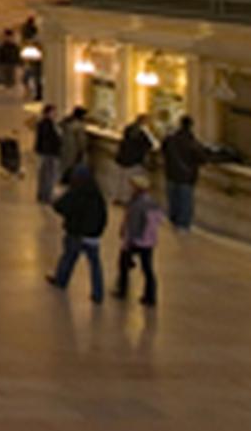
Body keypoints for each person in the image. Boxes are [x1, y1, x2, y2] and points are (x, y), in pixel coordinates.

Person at [45, 164, 108, 304]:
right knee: (95, 265)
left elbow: (59, 206)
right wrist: (99, 231)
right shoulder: (97, 195)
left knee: (68, 257)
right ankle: (98, 293)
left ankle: (61, 280)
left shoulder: (75, 192)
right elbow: (103, 215)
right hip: (93, 236)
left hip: (76, 233)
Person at [115, 175, 162, 308]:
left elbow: (134, 224)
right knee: (147, 269)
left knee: (124, 263)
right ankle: (150, 296)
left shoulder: (138, 204)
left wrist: (128, 239)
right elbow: (158, 220)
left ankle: (123, 291)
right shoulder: (152, 203)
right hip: (148, 241)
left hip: (137, 240)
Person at [159, 117, 205, 229]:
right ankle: (183, 224)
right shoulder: (193, 142)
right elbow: (202, 158)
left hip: (171, 174)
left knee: (173, 199)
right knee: (185, 202)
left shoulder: (170, 139)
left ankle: (173, 220)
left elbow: (163, 149)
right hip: (187, 177)